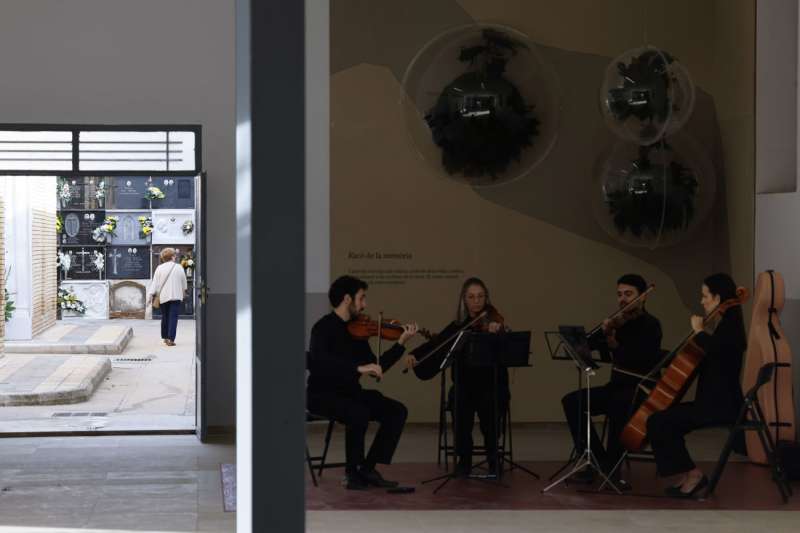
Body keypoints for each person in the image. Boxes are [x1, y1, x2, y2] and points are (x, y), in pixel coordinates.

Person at [306, 275, 419, 490]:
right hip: (321, 395)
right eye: (362, 298)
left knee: (396, 411)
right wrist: (356, 368)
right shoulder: (322, 328)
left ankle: (367, 468)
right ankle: (351, 473)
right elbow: (319, 363)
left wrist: (401, 343)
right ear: (347, 299)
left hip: (349, 393)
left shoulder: (358, 332)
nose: (365, 304)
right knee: (358, 412)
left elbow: (377, 367)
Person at [646, 273, 746, 498]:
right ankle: (687, 475)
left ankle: (693, 475)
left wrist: (699, 332)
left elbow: (718, 352)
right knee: (662, 420)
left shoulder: (731, 328)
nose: (702, 301)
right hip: (712, 402)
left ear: (718, 298)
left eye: (705, 296)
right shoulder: (726, 325)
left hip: (720, 406)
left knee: (659, 421)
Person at [561, 273, 662, 489]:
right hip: (616, 387)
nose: (623, 299)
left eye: (628, 294)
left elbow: (639, 359)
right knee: (572, 401)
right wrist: (597, 334)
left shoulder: (651, 325)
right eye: (619, 295)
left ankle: (611, 470)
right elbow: (586, 346)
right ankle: (597, 461)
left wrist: (613, 342)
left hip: (640, 389)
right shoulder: (618, 322)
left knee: (619, 405)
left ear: (643, 297)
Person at [412, 277, 507, 477]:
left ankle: (493, 460)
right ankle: (464, 460)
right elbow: (438, 343)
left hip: (491, 384)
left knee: (490, 406)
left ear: (486, 298)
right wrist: (416, 355)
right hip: (464, 385)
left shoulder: (494, 320)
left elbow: (506, 343)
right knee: (458, 400)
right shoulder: (459, 326)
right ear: (464, 300)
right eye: (471, 297)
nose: (477, 301)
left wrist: (497, 333)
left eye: (481, 296)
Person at [147, 247, 188, 347]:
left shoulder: (159, 268)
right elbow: (184, 284)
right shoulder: (179, 267)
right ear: (173, 257)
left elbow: (155, 284)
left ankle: (165, 337)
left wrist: (150, 295)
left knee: (165, 317)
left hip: (163, 297)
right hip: (176, 296)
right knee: (173, 317)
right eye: (174, 255)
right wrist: (183, 291)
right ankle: (170, 338)